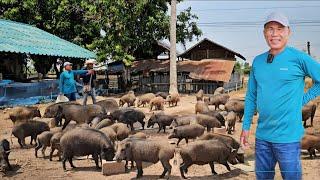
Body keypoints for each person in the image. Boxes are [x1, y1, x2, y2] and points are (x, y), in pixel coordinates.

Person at [240, 12, 320, 180]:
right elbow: (251, 95)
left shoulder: (299, 58)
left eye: (280, 29)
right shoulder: (258, 61)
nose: (275, 34)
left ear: (288, 32)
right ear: (264, 33)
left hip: (288, 139)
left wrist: (302, 100)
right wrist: (246, 127)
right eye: (270, 29)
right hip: (262, 138)